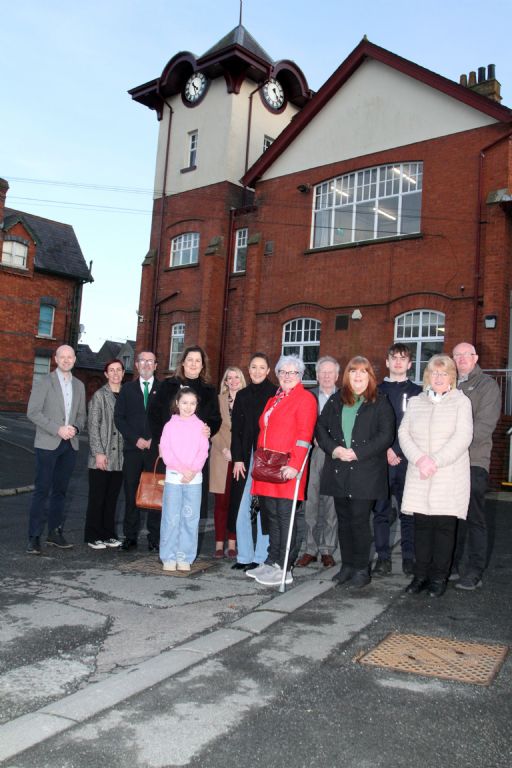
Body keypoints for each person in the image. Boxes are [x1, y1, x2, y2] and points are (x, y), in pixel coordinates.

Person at [316, 356, 395, 589]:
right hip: (339, 470)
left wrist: (357, 452)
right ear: (347, 376)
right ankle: (347, 566)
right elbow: (320, 428)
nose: (358, 376)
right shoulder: (336, 400)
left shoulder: (380, 401)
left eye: (363, 372)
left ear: (370, 376)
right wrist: (334, 449)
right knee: (344, 521)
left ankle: (362, 569)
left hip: (366, 472)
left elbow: (385, 435)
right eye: (353, 372)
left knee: (360, 521)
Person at [399, 354, 473, 597]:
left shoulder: (461, 402)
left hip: (448, 475)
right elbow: (404, 433)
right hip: (420, 472)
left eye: (444, 373)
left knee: (443, 529)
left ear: (452, 377)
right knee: (421, 528)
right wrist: (420, 459)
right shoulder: (416, 401)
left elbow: (463, 437)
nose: (438, 378)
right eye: (434, 373)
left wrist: (435, 460)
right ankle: (420, 576)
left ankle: (439, 578)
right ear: (427, 376)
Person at [247, 355, 317, 587]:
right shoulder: (273, 399)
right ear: (277, 375)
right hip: (268, 468)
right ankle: (272, 560)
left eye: (293, 373)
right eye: (283, 372)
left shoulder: (305, 399)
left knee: (286, 517)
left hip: (286, 468)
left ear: (300, 376)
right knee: (272, 516)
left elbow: (304, 435)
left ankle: (285, 564)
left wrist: (295, 466)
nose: (287, 376)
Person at [26, 344, 86, 554]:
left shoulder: (79, 385)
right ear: (56, 359)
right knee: (42, 490)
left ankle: (54, 532)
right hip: (47, 443)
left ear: (74, 360)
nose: (66, 360)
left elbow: (81, 416)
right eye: (63, 356)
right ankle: (34, 537)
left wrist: (75, 428)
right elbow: (32, 412)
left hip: (69, 445)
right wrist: (57, 429)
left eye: (70, 357)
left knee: (60, 492)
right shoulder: (44, 381)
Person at [451, 342, 501, 590]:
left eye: (466, 355)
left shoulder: (487, 386)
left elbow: (484, 427)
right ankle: (451, 564)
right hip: (447, 464)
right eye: (456, 355)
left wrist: (449, 449)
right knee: (451, 518)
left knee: (475, 518)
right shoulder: (449, 383)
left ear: (475, 358)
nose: (461, 359)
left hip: (473, 462)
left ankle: (474, 571)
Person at [150, 345, 221, 518]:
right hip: (171, 453)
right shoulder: (168, 385)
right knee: (165, 501)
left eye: (198, 361)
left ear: (203, 365)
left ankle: (187, 542)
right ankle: (157, 541)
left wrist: (209, 428)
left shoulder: (209, 390)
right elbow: (154, 414)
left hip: (195, 455)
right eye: (190, 360)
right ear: (182, 363)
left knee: (191, 507)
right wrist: (160, 441)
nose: (194, 364)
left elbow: (215, 417)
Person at [372, 343, 422, 576]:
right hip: (381, 461)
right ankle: (382, 557)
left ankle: (409, 557)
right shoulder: (376, 390)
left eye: (403, 358)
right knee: (381, 511)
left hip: (407, 460)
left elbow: (418, 428)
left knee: (408, 512)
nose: (398, 362)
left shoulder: (417, 392)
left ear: (410, 364)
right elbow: (372, 426)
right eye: (394, 358)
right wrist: (385, 450)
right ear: (387, 362)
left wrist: (399, 451)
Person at [228, 353, 277, 572]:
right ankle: (245, 555)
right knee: (243, 507)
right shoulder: (242, 395)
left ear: (268, 371)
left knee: (263, 507)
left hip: (266, 458)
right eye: (254, 367)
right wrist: (238, 458)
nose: (257, 371)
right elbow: (236, 431)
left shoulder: (275, 394)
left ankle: (261, 556)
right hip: (246, 457)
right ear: (249, 370)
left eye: (262, 368)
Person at [114, 350, 161, 552]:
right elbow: (119, 418)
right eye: (143, 361)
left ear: (156, 365)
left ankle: (155, 538)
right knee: (131, 493)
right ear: (137, 364)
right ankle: (130, 537)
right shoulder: (127, 390)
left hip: (155, 452)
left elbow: (169, 420)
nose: (146, 364)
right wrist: (136, 439)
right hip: (133, 450)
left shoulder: (164, 389)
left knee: (156, 493)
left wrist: (154, 440)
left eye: (150, 361)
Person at [295, 356, 339, 569]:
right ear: (317, 374)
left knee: (332, 505)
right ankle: (310, 549)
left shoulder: (344, 397)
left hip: (335, 456)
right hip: (312, 454)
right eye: (322, 372)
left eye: (330, 372)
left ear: (337, 376)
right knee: (310, 502)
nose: (326, 376)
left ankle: (327, 549)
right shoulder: (308, 396)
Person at [159, 387, 209, 571]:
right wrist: (182, 469)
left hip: (194, 480)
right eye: (185, 403)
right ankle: (169, 556)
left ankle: (185, 556)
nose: (188, 407)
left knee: (190, 518)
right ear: (177, 403)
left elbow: (203, 451)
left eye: (192, 403)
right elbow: (166, 451)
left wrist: (193, 470)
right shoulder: (169, 426)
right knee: (171, 518)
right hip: (174, 477)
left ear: (197, 405)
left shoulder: (201, 427)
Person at [84, 359, 125, 550]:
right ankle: (93, 535)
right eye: (112, 370)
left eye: (119, 370)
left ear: (123, 373)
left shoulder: (127, 395)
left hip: (120, 459)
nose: (115, 373)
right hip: (102, 456)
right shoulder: (99, 396)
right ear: (106, 374)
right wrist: (98, 453)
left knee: (112, 499)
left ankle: (108, 534)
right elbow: (93, 426)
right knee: (97, 498)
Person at [209, 366, 246, 558]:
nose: (232, 381)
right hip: (220, 456)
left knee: (236, 502)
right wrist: (224, 448)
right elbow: (211, 428)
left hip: (240, 459)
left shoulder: (248, 400)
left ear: (241, 380)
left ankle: (232, 543)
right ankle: (218, 543)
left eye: (236, 377)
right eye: (229, 378)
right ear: (225, 381)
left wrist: (237, 451)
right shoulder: (218, 400)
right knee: (221, 503)